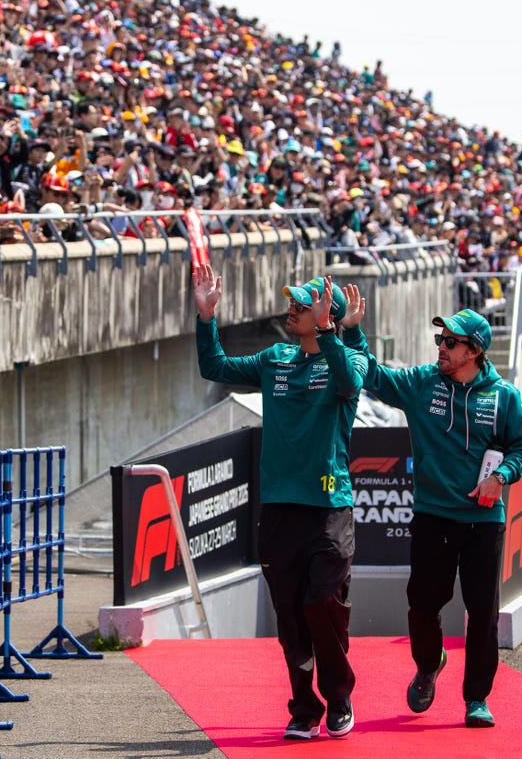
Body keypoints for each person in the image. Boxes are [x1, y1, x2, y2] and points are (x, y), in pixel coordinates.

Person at [340, 292, 522, 728]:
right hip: (433, 515)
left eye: (451, 341)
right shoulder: (421, 382)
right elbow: (372, 373)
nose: (441, 347)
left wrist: (499, 476)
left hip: (484, 520)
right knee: (423, 605)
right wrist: (352, 330)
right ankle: (429, 664)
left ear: (474, 351)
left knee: (482, 610)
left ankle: (476, 699)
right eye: (440, 339)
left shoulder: (504, 396)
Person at [193, 266, 365, 740]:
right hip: (278, 509)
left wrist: (332, 332)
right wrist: (206, 318)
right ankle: (304, 707)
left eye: (301, 304)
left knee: (322, 603)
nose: (290, 309)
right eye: (290, 302)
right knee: (289, 613)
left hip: (330, 506)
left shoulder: (348, 358)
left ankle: (340, 695)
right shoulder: (275, 358)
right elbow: (217, 368)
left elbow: (349, 385)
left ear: (324, 314)